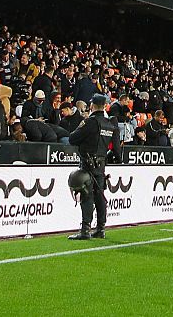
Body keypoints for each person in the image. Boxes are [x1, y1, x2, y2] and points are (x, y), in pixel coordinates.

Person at [67, 94, 116, 241]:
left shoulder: (90, 122)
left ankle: (85, 230)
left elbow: (72, 138)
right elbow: (116, 149)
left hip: (88, 164)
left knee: (86, 196)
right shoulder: (109, 124)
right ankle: (101, 228)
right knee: (100, 196)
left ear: (92, 106)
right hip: (101, 164)